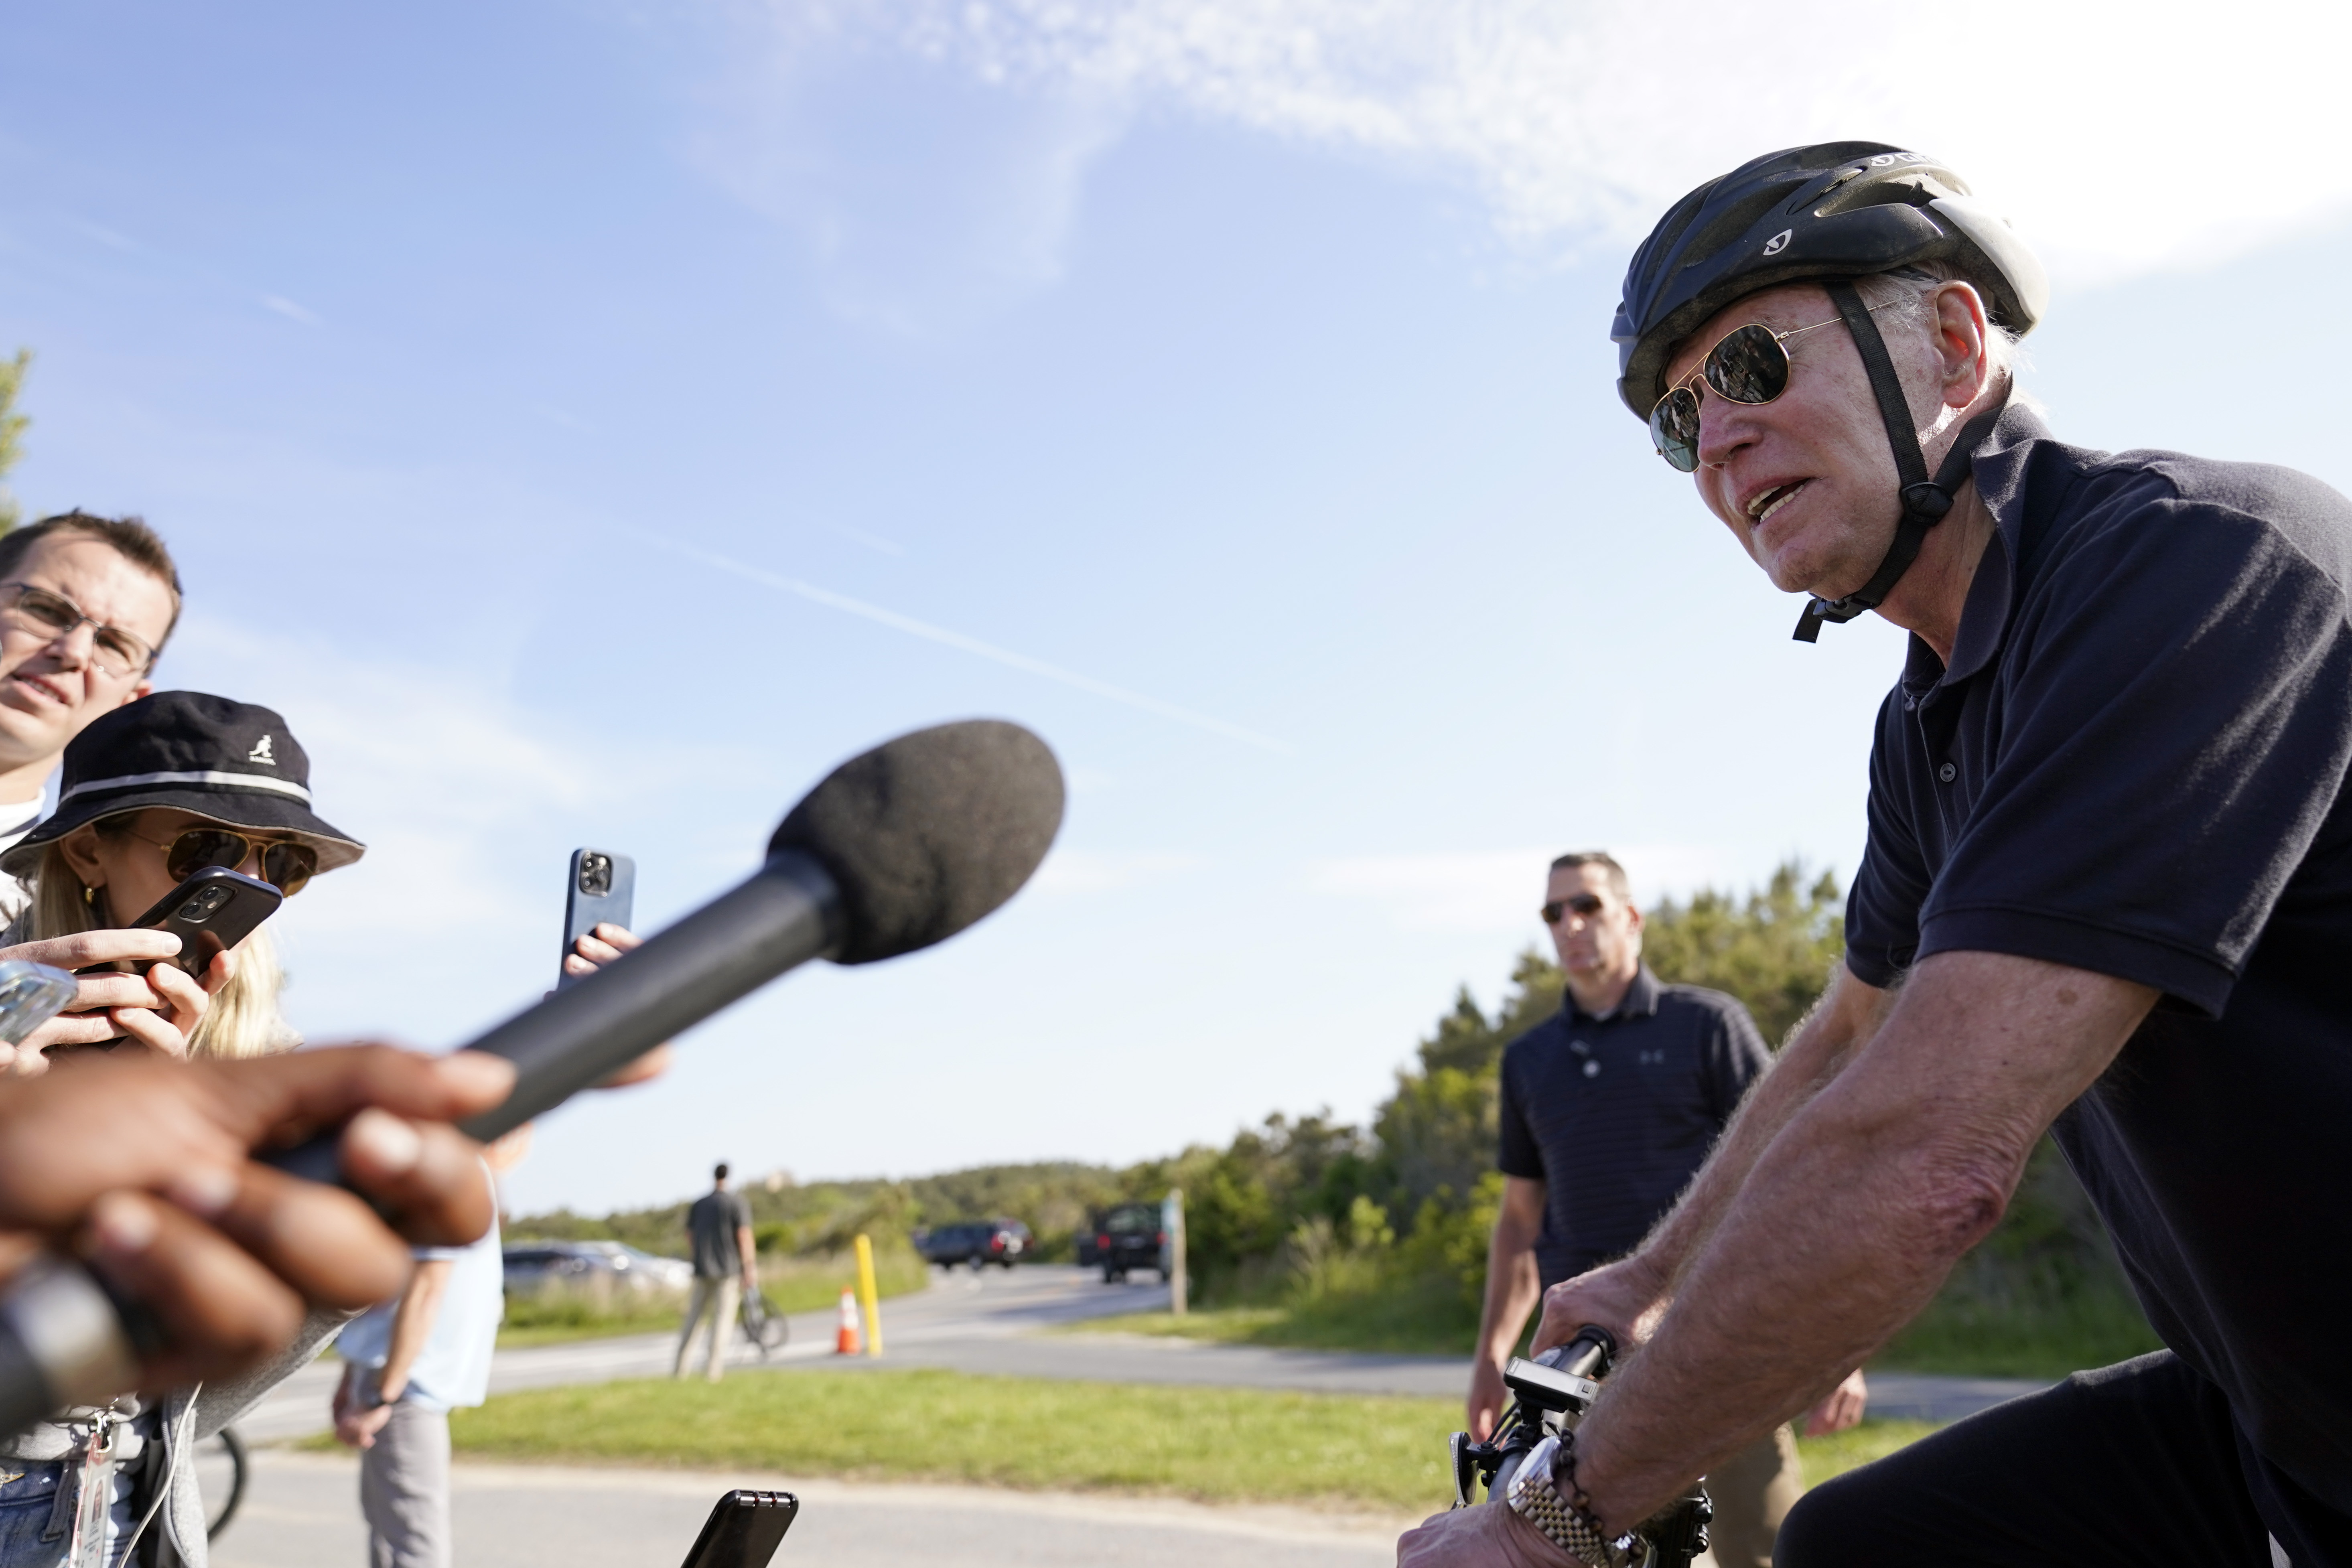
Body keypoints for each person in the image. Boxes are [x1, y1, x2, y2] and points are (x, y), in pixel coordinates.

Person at [1400, 141, 2352, 1568]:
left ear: (1956, 347)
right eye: (1679, 423)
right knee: (1863, 1545)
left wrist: (1555, 1523)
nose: (1713, 444)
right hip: (2272, 1419)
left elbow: (1927, 1151)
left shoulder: (2193, 571)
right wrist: (1651, 1277)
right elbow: (1853, 1037)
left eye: (1752, 368)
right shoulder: (1931, 718)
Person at [0, 693, 369, 1565]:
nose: (248, 888)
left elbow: (202, 1376)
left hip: (131, 1503)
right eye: (205, 850)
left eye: (281, 864)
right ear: (89, 846)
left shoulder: (264, 1069)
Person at [1467, 852, 1862, 1568]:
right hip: (1581, 1366)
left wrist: (1838, 1342)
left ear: (1632, 918)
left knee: (1763, 1549)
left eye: (1586, 904)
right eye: (1553, 912)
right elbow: (1520, 1220)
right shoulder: (1528, 1059)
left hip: (1721, 1341)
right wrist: (1490, 1353)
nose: (1569, 923)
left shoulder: (1706, 1024)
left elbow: (1796, 1174)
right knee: (1581, 1555)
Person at [332, 1128, 532, 1568]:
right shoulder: (453, 1176)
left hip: (397, 1379)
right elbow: (424, 1290)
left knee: (399, 1533)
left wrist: (364, 1382)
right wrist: (378, 1390)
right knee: (407, 1539)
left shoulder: (465, 1175)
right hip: (403, 1382)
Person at [0, 513, 183, 926]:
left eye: (114, 645)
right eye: (47, 610)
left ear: (128, 704)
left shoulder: (56, 932)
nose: (75, 651)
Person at [675, 1163, 755, 1383]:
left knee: (694, 1320)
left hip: (702, 1269)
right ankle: (712, 1372)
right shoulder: (736, 1202)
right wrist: (749, 1267)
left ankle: (680, 1370)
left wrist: (699, 1256)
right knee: (721, 1321)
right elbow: (744, 1236)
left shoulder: (700, 1204)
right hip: (727, 1270)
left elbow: (690, 1235)